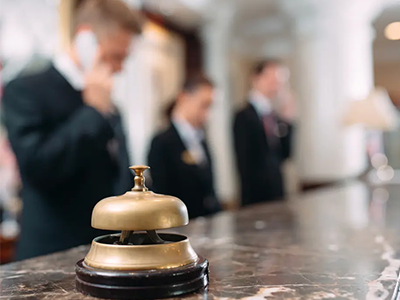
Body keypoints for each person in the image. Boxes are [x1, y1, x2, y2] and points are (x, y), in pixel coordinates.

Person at [2, 0, 142, 260]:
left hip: (107, 254)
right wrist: (92, 112)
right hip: (50, 257)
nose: (120, 68)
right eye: (116, 56)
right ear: (86, 39)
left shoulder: (112, 105)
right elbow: (38, 168)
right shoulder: (25, 90)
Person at [148, 75, 221, 219]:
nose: (208, 113)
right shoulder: (162, 142)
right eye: (204, 105)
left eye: (210, 106)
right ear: (183, 98)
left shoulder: (201, 139)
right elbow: (163, 194)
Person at [233, 60, 295, 206]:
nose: (276, 86)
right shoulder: (243, 116)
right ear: (256, 78)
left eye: (280, 82)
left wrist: (288, 122)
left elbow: (285, 154)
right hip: (255, 197)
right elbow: (244, 163)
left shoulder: (274, 116)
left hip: (277, 193)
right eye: (272, 80)